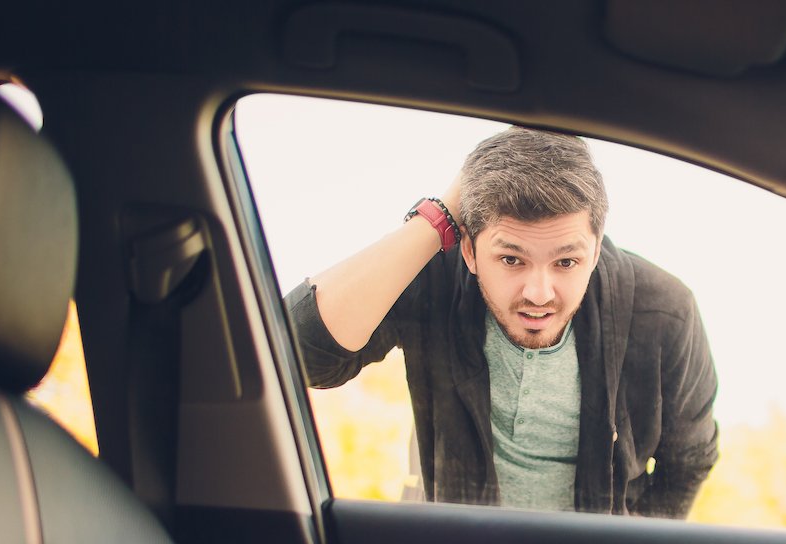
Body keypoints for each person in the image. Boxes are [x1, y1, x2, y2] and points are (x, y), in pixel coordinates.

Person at [285, 127, 719, 518]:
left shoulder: (666, 311)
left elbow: (689, 460)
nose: (539, 292)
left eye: (567, 261)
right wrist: (438, 217)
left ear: (595, 251)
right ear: (470, 252)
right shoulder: (436, 277)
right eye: (511, 259)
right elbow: (298, 355)